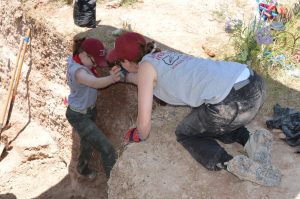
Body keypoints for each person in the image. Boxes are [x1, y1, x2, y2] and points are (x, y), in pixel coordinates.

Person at [106, 32, 281, 186]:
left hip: (234, 103)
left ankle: (231, 164)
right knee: (209, 118)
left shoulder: (145, 69)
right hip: (253, 84)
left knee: (186, 133)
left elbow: (144, 128)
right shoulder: (159, 56)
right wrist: (126, 77)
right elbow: (147, 80)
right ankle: (250, 141)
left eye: (120, 61)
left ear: (126, 61)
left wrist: (137, 134)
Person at [66, 37, 121, 180]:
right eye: (94, 61)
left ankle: (82, 168)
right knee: (107, 149)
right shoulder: (78, 72)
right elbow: (95, 82)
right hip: (78, 115)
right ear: (83, 54)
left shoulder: (79, 58)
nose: (96, 64)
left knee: (87, 142)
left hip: (88, 111)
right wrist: (112, 78)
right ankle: (114, 186)